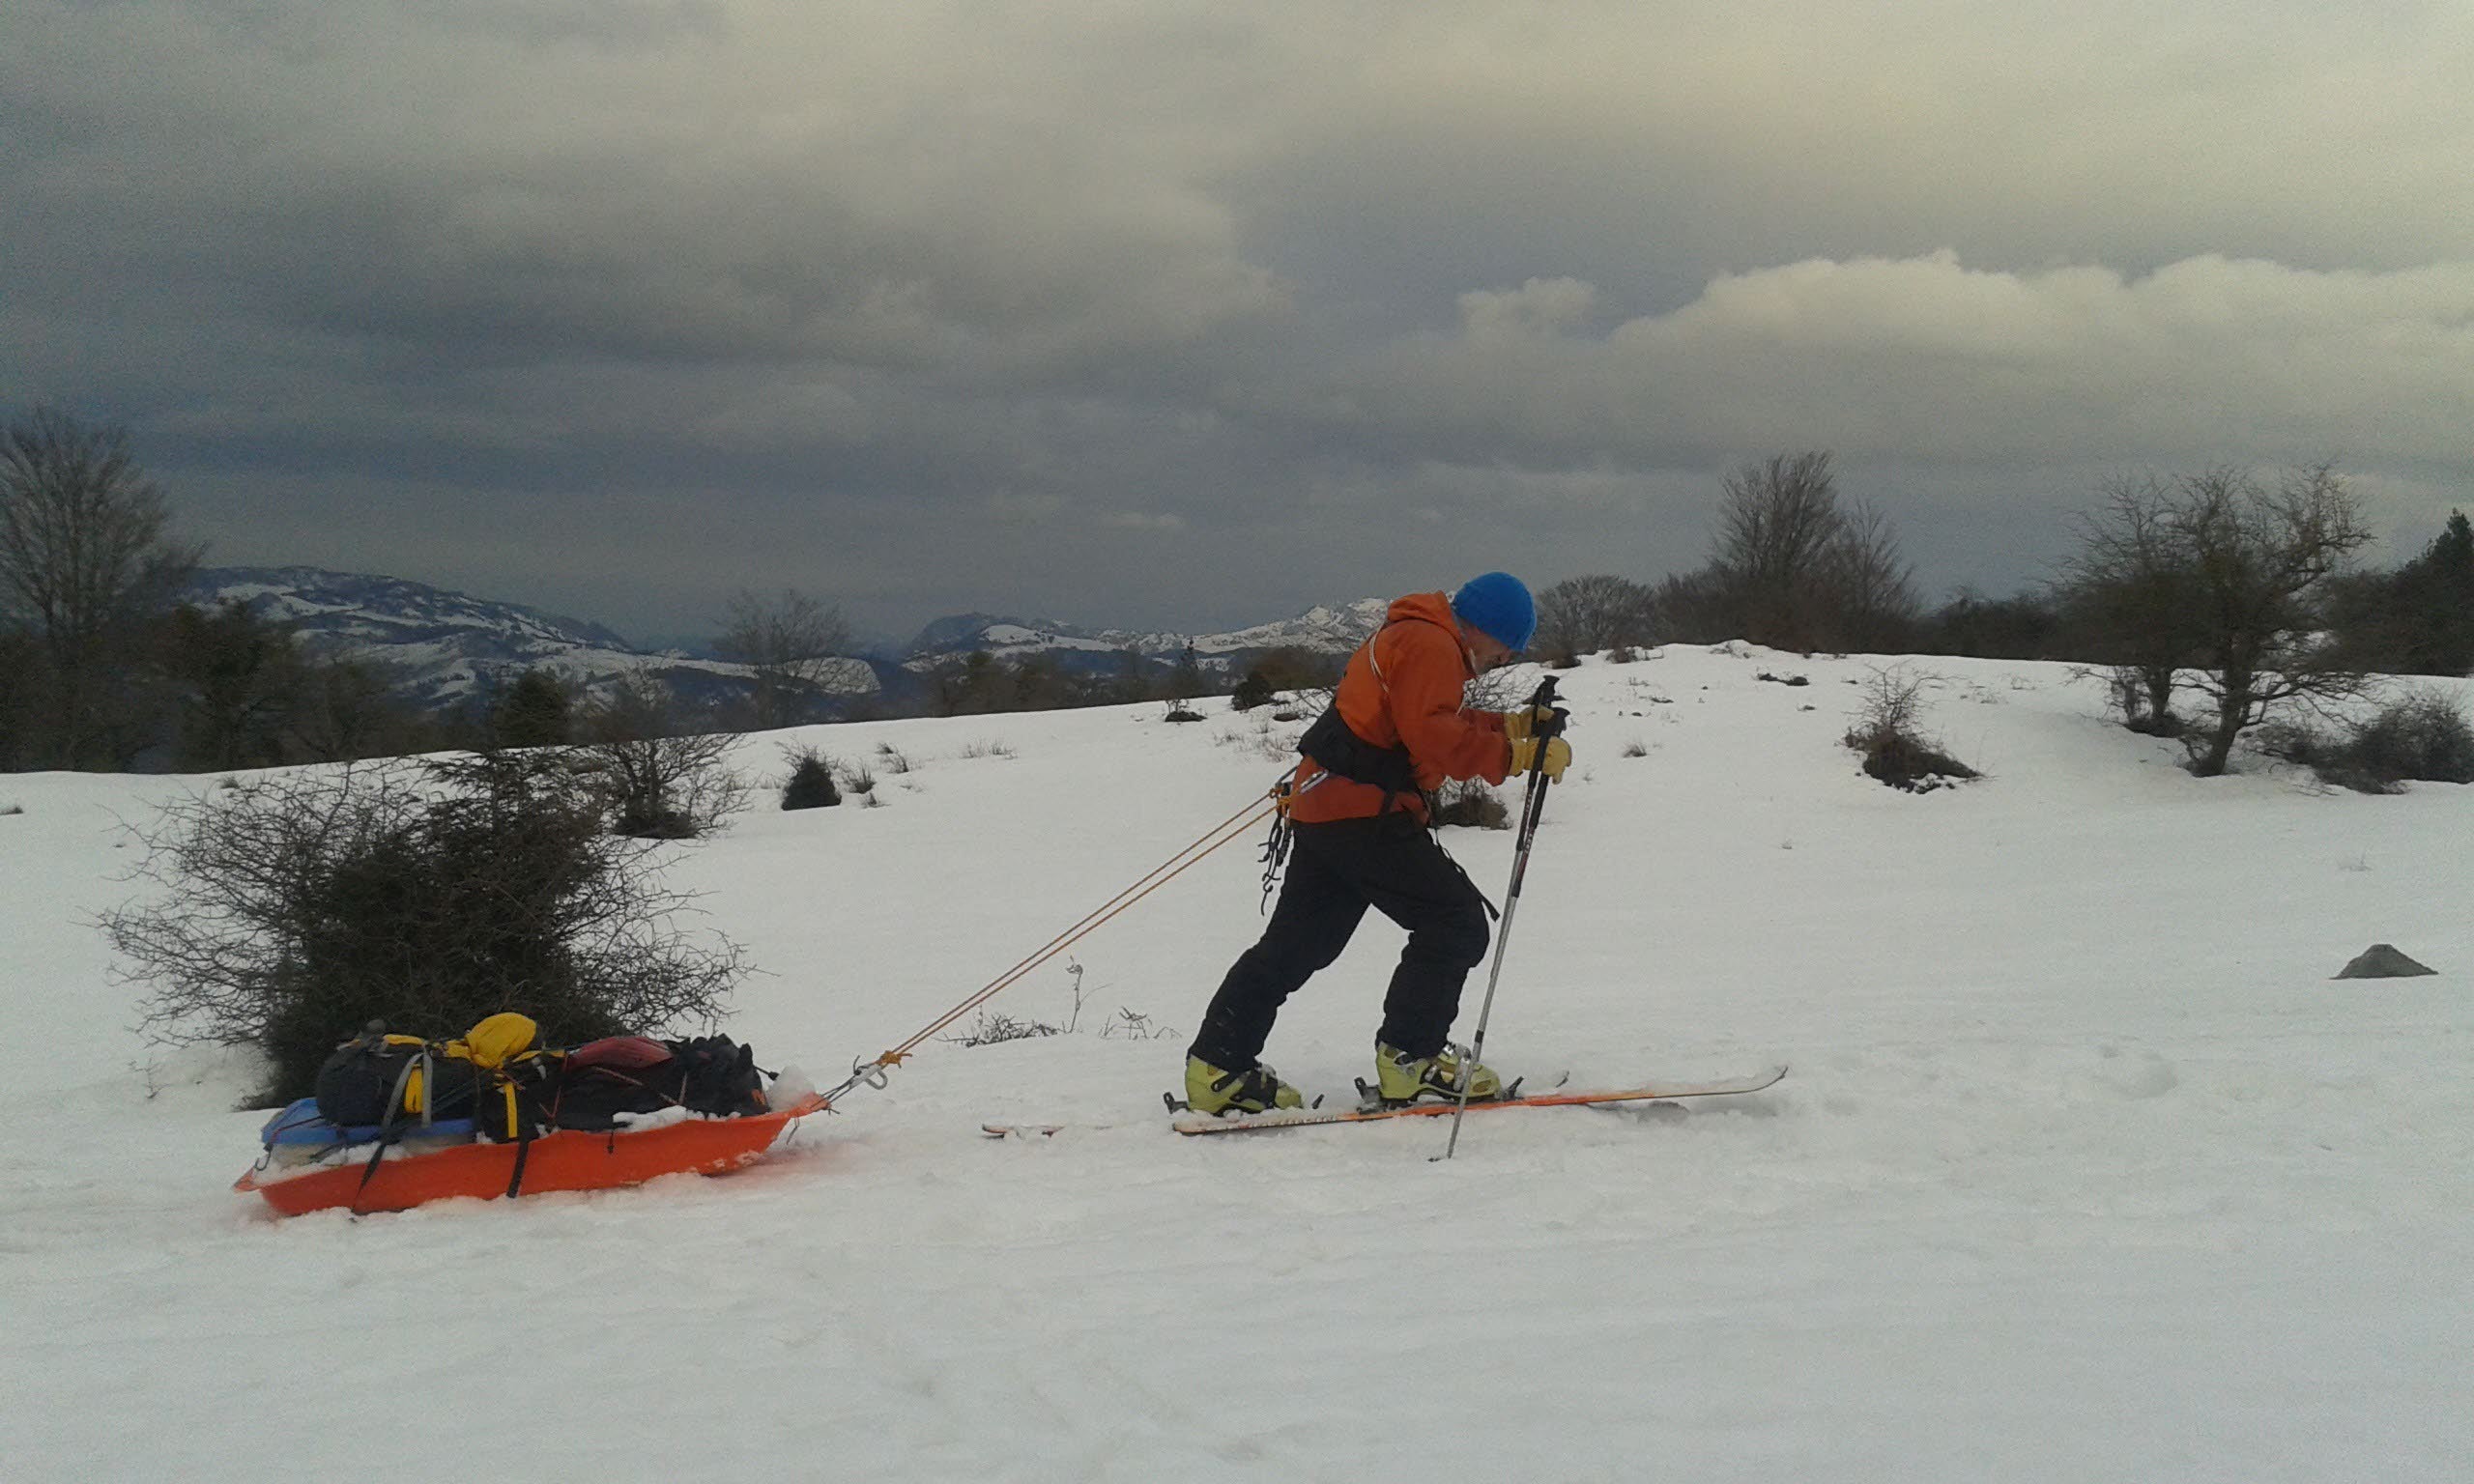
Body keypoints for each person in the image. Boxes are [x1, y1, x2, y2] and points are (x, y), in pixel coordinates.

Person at [1184, 572, 1573, 1114]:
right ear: (1489, 628)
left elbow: (1429, 714)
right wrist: (1516, 758)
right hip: (1364, 814)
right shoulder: (1432, 644)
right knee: (1453, 922)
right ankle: (1412, 1061)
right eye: (1509, 645)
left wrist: (1509, 726)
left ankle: (1218, 1067)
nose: (1506, 658)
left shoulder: (1419, 635)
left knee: (1297, 946)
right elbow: (1432, 734)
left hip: (1329, 809)